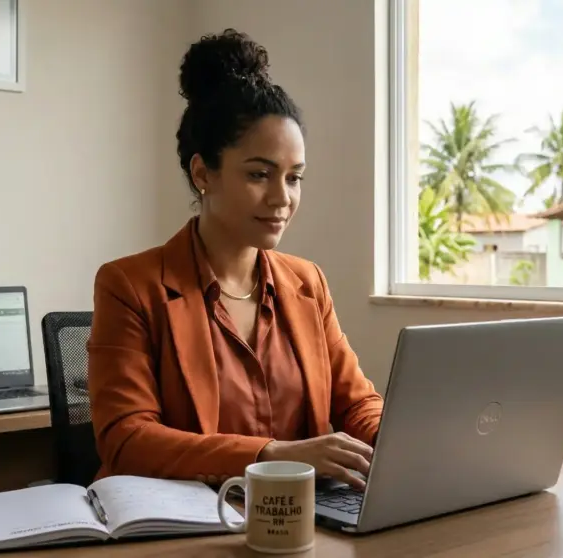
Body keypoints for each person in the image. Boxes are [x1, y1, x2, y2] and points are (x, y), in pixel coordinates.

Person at [87, 28, 383, 491]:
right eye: (259, 174)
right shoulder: (129, 285)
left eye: (294, 177)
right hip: (188, 523)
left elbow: (357, 405)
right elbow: (126, 438)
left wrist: (405, 444)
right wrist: (271, 456)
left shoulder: (308, 283)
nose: (281, 198)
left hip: (299, 517)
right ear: (203, 172)